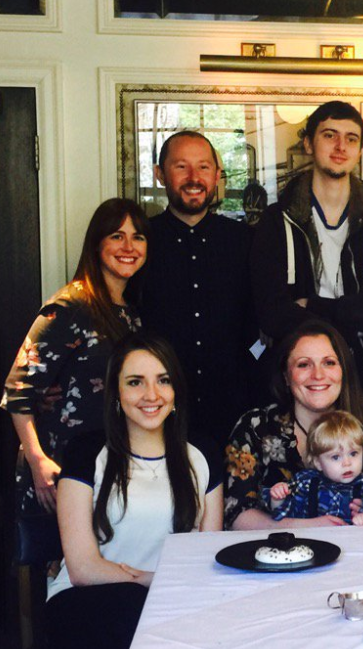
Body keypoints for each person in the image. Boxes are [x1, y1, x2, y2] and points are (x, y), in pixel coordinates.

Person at [47, 333, 222, 649]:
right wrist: (150, 581)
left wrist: (160, 587)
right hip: (85, 608)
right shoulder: (85, 452)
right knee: (134, 612)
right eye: (135, 382)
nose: (151, 395)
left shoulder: (202, 454)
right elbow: (82, 568)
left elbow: (204, 560)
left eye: (163, 380)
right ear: (116, 393)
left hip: (171, 607)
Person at [250, 100, 363, 410]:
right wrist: (360, 310)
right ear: (309, 143)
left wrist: (310, 304)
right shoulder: (275, 222)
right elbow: (272, 316)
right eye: (329, 135)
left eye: (351, 138)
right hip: (295, 384)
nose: (341, 146)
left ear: (360, 150)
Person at [2, 198, 148, 514]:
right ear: (97, 244)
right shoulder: (71, 306)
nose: (129, 246)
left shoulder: (131, 315)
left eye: (138, 236)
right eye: (117, 236)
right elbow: (17, 391)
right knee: (66, 563)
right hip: (63, 470)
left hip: (112, 466)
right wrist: (37, 462)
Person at [224, 320, 363, 529]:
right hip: (279, 553)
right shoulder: (256, 427)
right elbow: (236, 514)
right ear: (285, 375)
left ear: (343, 370)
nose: (318, 375)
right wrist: (304, 527)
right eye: (303, 364)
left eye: (329, 362)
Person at [140, 130, 257, 465]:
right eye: (181, 167)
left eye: (203, 167)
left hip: (235, 410)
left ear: (217, 176)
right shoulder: (139, 243)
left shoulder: (245, 242)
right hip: (156, 411)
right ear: (160, 174)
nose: (194, 178)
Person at [271, 410, 363, 525]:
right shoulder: (305, 482)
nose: (347, 463)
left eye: (353, 453)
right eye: (336, 457)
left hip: (354, 541)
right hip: (313, 541)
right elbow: (283, 516)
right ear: (318, 463)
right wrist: (278, 498)